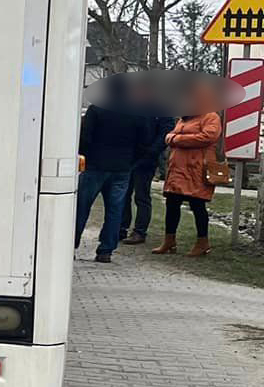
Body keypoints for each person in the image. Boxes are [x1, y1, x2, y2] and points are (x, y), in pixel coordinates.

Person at [76, 79, 150, 263]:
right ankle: (106, 250)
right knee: (115, 210)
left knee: (81, 207)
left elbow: (85, 136)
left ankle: (71, 244)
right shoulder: (136, 112)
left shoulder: (97, 109)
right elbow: (144, 141)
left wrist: (87, 155)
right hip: (122, 168)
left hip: (95, 166)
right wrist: (132, 162)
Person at [153, 81, 224, 257]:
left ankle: (203, 242)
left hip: (197, 170)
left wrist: (176, 139)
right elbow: (169, 135)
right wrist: (173, 137)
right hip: (178, 170)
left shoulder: (211, 117)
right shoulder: (184, 118)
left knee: (197, 205)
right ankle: (169, 241)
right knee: (172, 204)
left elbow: (207, 137)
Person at [121, 82, 173, 245]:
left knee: (141, 196)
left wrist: (152, 151)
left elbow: (165, 132)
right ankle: (121, 228)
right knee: (123, 195)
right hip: (128, 158)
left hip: (147, 160)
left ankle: (140, 231)